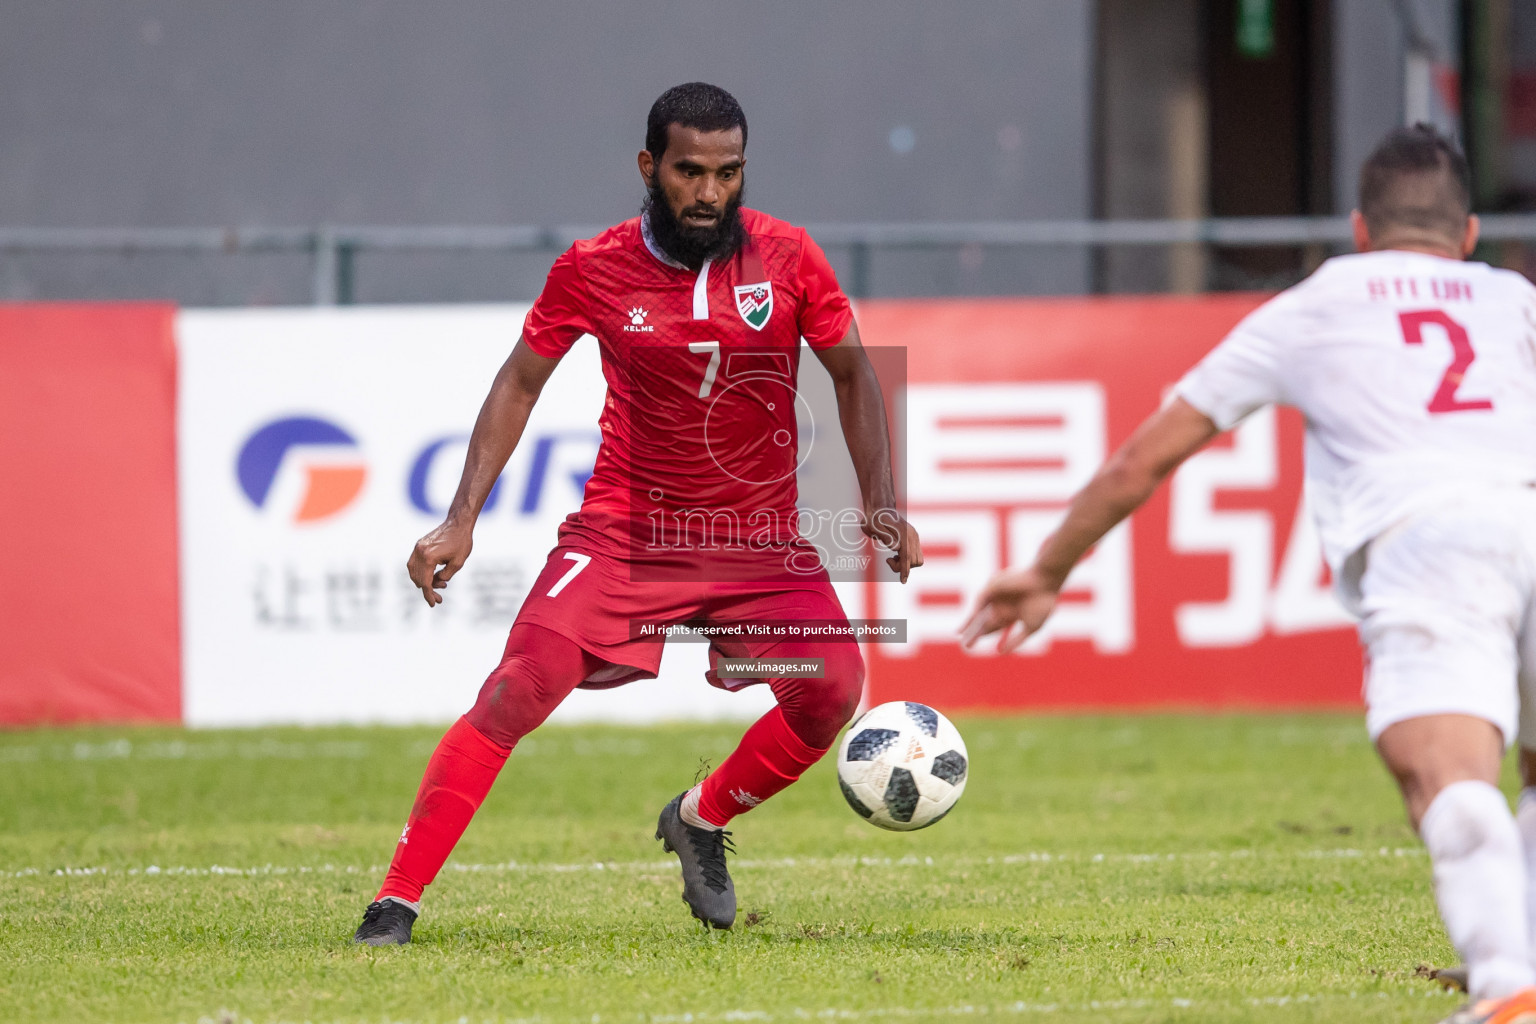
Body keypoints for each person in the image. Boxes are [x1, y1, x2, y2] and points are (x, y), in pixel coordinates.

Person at [960, 124, 1536, 1024]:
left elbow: (1142, 462)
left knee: (1448, 774)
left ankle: (1508, 985)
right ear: (1468, 237)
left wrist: (1047, 569)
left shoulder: (1315, 304)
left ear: (1357, 229)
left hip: (1432, 536)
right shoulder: (1513, 299)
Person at [352, 82, 922, 945]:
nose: (709, 193)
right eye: (689, 171)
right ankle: (396, 899)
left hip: (758, 543)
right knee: (518, 687)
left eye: (727, 173)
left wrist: (880, 503)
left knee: (833, 689)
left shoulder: (792, 258)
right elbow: (520, 380)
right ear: (650, 167)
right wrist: (460, 517)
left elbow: (852, 373)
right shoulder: (593, 266)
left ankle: (700, 816)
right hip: (626, 534)